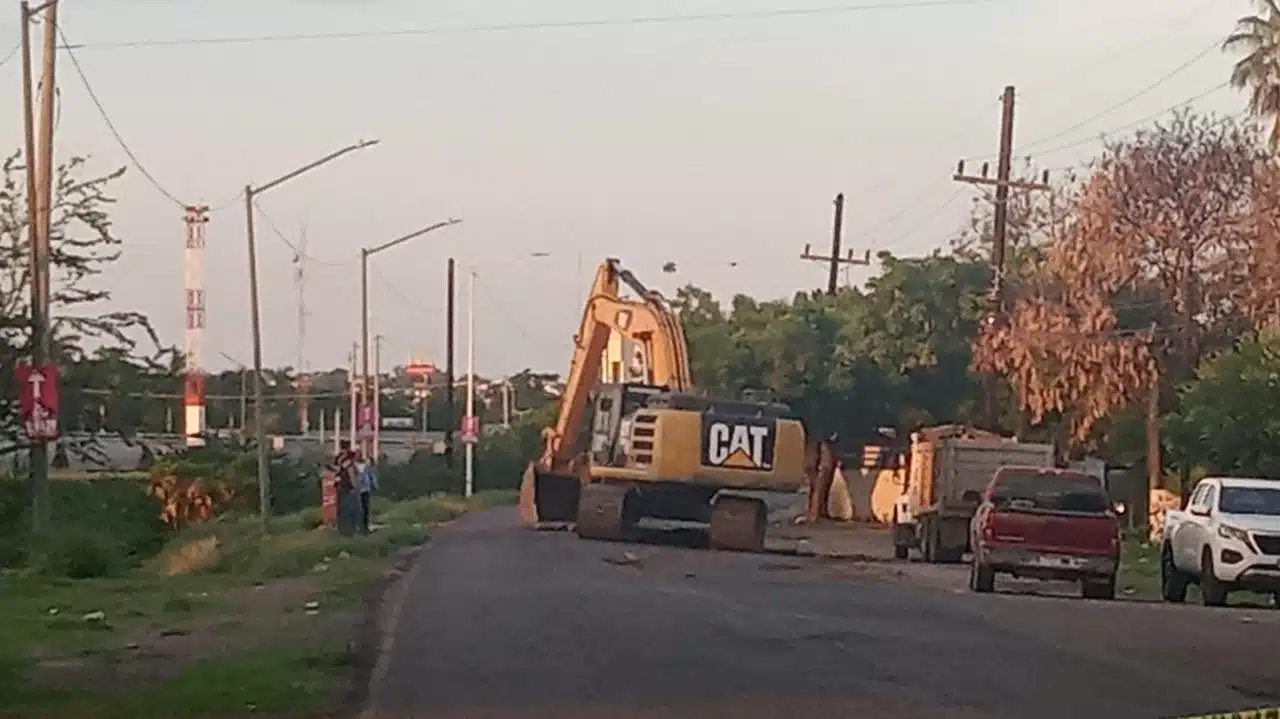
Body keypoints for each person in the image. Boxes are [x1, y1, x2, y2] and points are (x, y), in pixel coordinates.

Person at [356, 452, 378, 534]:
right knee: (358, 509)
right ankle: (359, 527)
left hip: (365, 489)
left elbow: (371, 475)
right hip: (356, 490)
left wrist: (374, 485)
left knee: (366, 509)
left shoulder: (366, 465)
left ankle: (365, 527)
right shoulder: (353, 465)